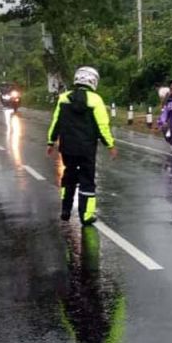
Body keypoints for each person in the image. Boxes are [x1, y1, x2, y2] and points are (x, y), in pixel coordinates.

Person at [47, 66, 117, 226]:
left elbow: (56, 122)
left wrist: (51, 141)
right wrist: (110, 145)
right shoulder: (96, 100)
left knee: (69, 176)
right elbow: (102, 126)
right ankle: (86, 215)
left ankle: (65, 210)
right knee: (87, 180)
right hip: (87, 149)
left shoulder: (63, 98)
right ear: (93, 81)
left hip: (67, 147)